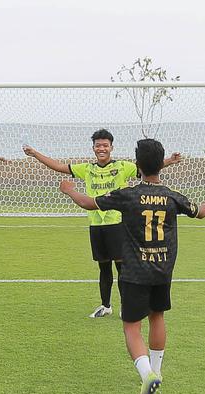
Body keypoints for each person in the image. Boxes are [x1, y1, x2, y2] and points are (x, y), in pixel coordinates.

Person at [60, 138, 205, 394]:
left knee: (131, 326)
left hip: (135, 271)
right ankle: (157, 370)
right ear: (161, 164)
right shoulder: (172, 196)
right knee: (157, 316)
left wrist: (69, 190)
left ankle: (147, 374)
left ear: (137, 164)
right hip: (163, 270)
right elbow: (201, 212)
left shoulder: (128, 194)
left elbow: (89, 204)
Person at [25, 129, 183, 318]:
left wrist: (169, 161)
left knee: (122, 267)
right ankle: (105, 305)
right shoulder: (87, 169)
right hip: (96, 224)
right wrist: (35, 154)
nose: (102, 148)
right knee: (103, 267)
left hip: (117, 224)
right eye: (98, 145)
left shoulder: (123, 167)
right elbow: (58, 166)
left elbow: (147, 168)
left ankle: (127, 305)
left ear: (111, 147)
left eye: (105, 145)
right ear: (93, 148)